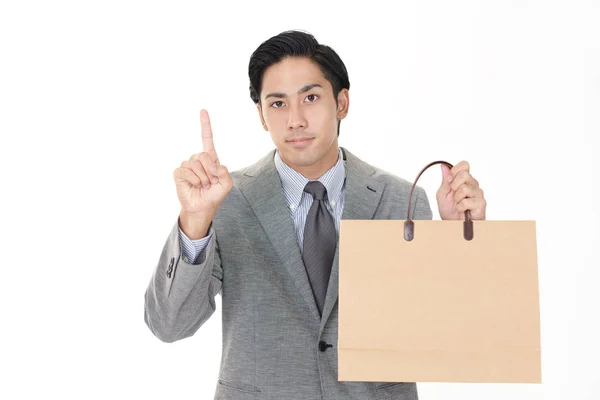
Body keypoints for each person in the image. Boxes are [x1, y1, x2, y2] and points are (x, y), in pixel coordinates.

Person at [144, 30, 487, 400]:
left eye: (310, 98)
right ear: (261, 115)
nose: (295, 119)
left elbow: (446, 332)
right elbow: (169, 325)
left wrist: (460, 238)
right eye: (277, 104)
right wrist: (195, 221)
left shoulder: (400, 201)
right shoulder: (226, 202)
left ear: (341, 103)